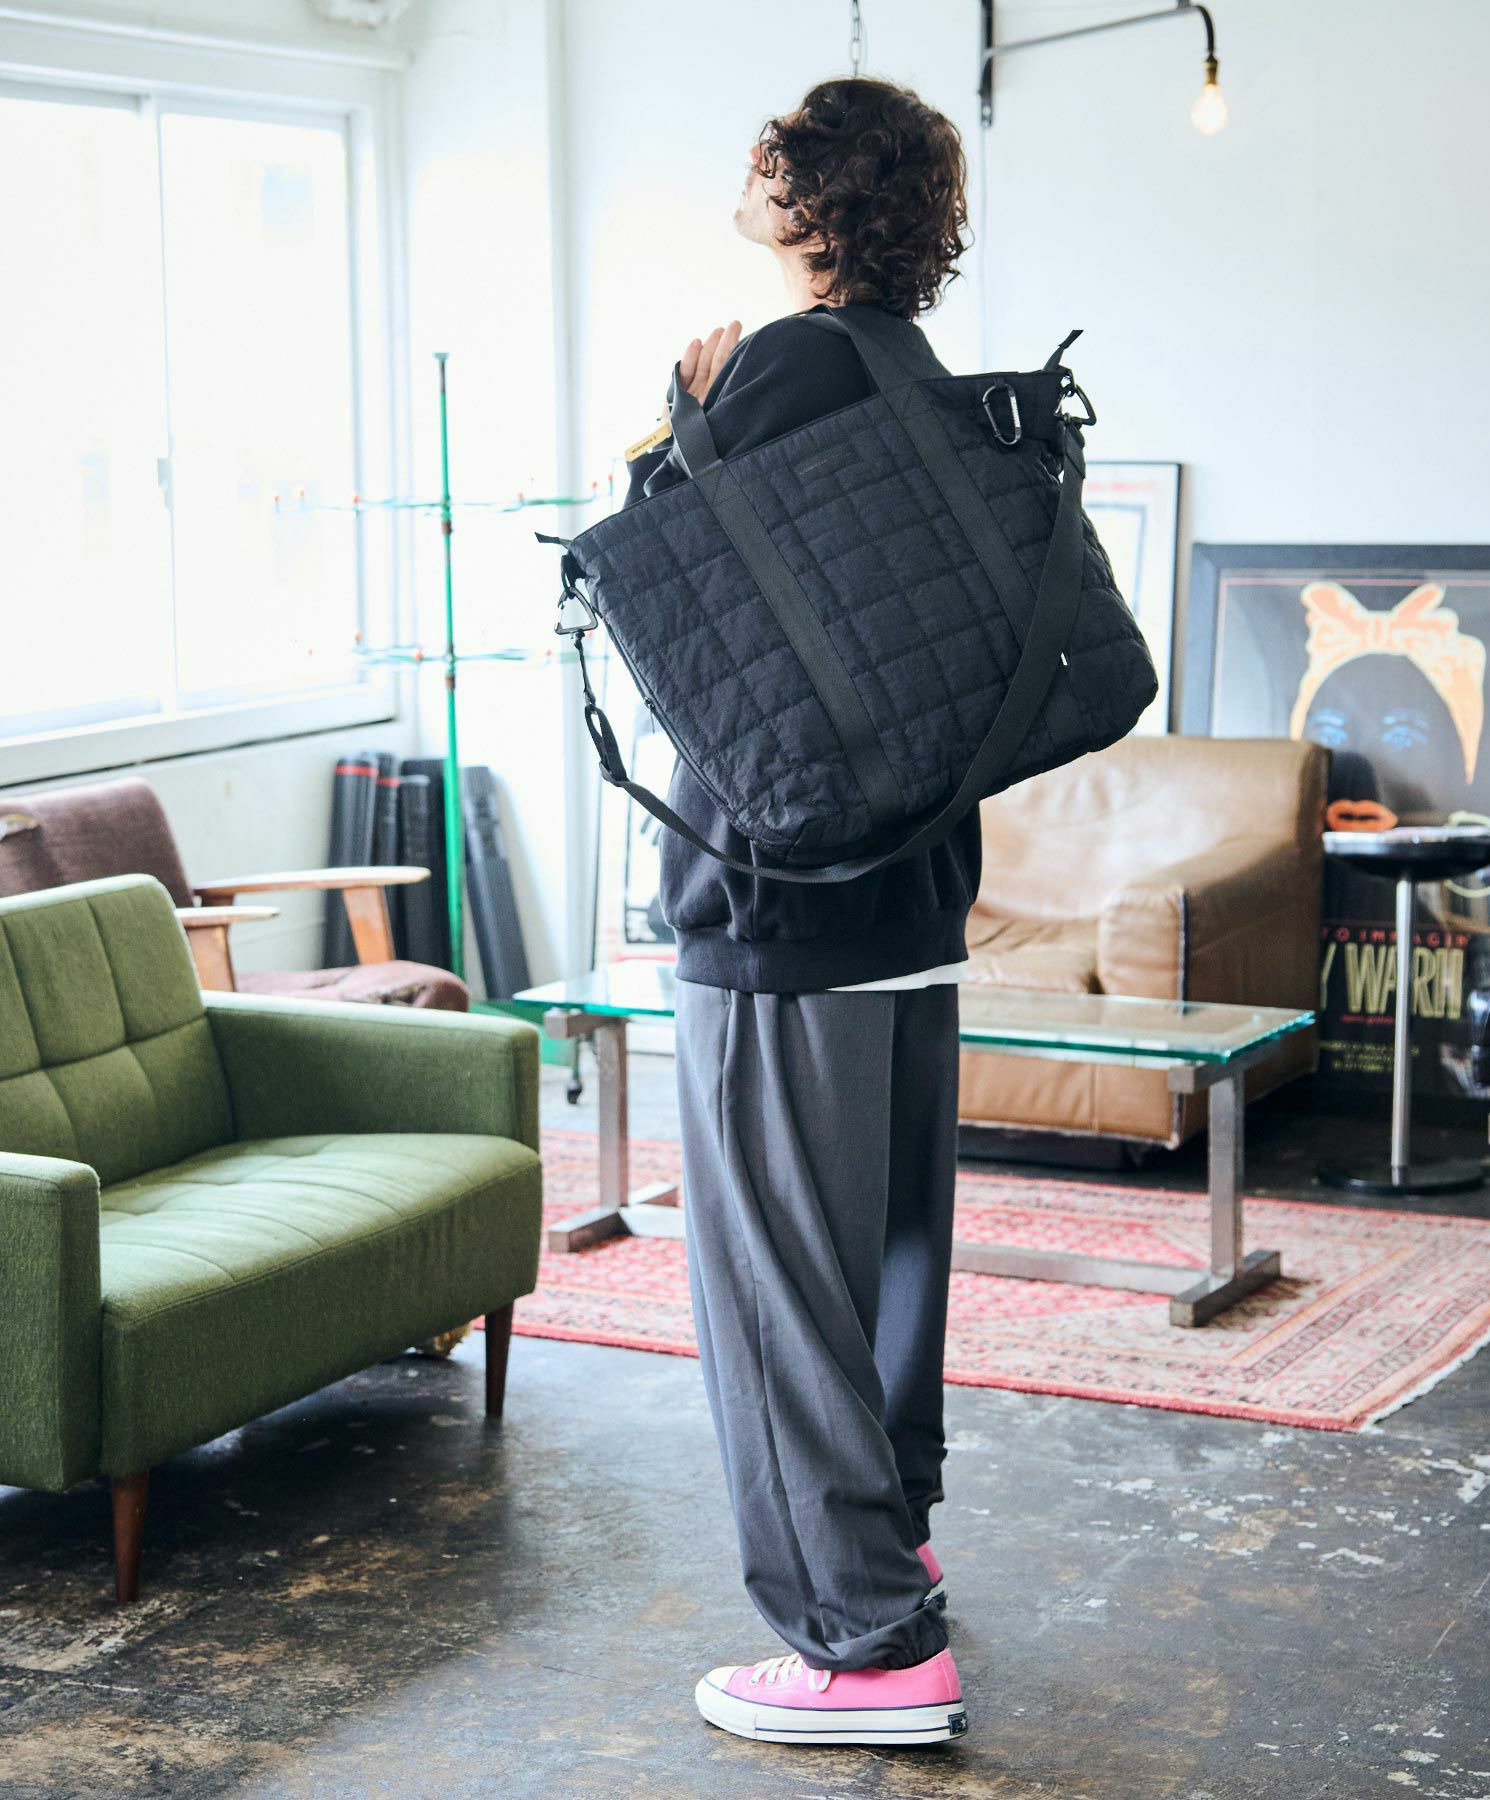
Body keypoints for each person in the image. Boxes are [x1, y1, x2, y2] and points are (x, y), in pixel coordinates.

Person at [622, 76, 977, 1748]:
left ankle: (864, 1643)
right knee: (888, 1259)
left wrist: (679, 428)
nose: (748, 171)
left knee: (775, 1288)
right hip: (908, 900)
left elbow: (671, 611)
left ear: (814, 193)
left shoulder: (783, 366)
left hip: (782, 906)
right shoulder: (918, 372)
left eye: (770, 154)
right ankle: (893, 1549)